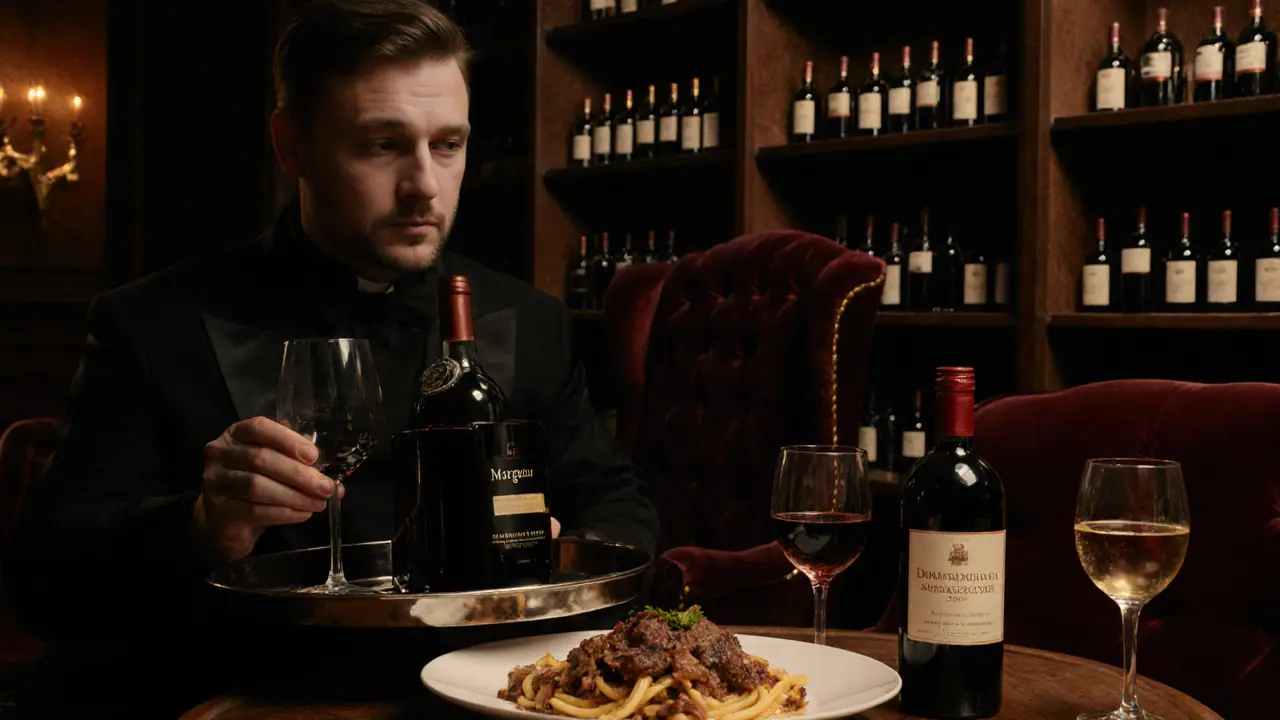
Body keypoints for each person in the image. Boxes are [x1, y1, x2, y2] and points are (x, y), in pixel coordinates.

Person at [3, 1, 659, 716]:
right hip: (239, 694)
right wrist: (199, 527)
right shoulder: (151, 325)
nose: (425, 184)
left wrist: (566, 549)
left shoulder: (529, 320)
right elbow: (45, 580)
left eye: (448, 144)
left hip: (471, 699)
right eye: (382, 145)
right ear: (292, 146)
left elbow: (617, 505)